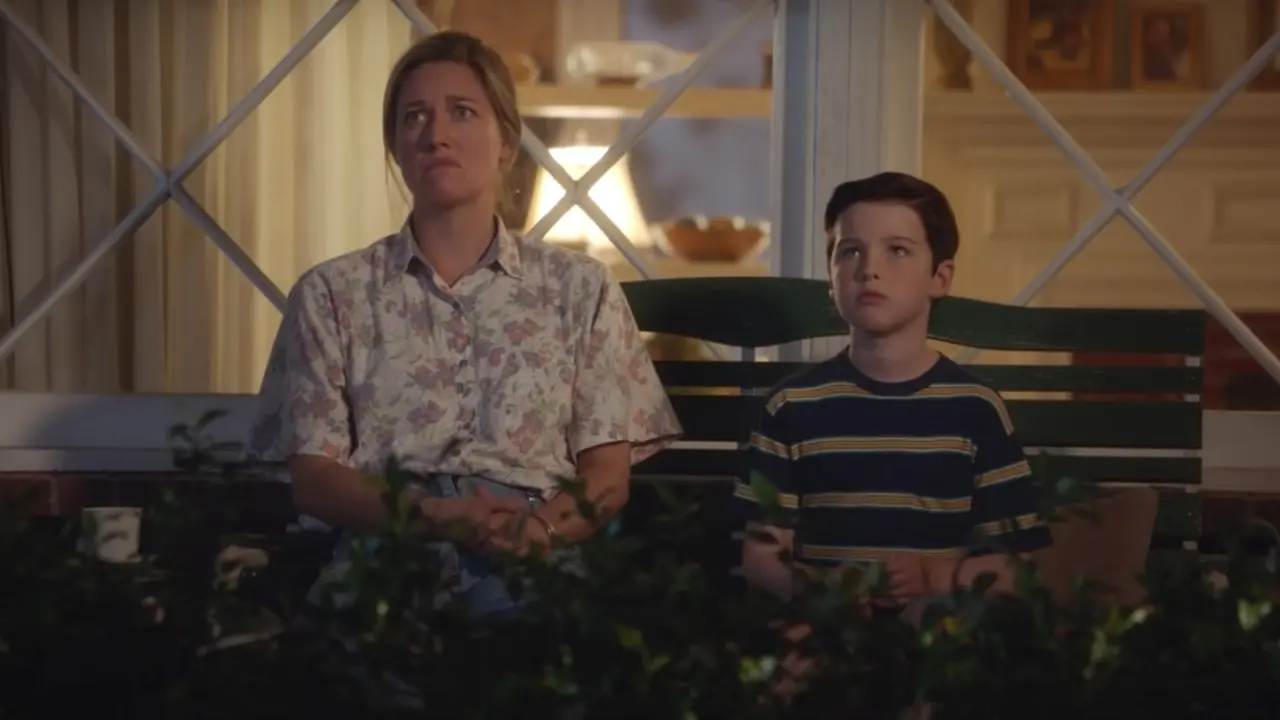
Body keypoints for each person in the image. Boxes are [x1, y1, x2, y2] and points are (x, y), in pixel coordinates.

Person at [248, 30, 681, 621]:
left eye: (462, 112)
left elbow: (607, 475)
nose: (436, 135)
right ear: (395, 148)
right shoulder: (331, 295)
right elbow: (314, 478)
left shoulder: (580, 289)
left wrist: (540, 533)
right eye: (414, 117)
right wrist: (429, 515)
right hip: (389, 546)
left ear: (506, 142)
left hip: (535, 547)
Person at [734, 171, 1052, 608]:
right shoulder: (792, 406)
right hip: (829, 629)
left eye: (897, 250)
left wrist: (935, 577)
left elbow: (1020, 563)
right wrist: (825, 591)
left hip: (938, 634)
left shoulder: (975, 408)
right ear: (831, 278)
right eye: (850, 251)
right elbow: (760, 557)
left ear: (940, 277)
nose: (869, 269)